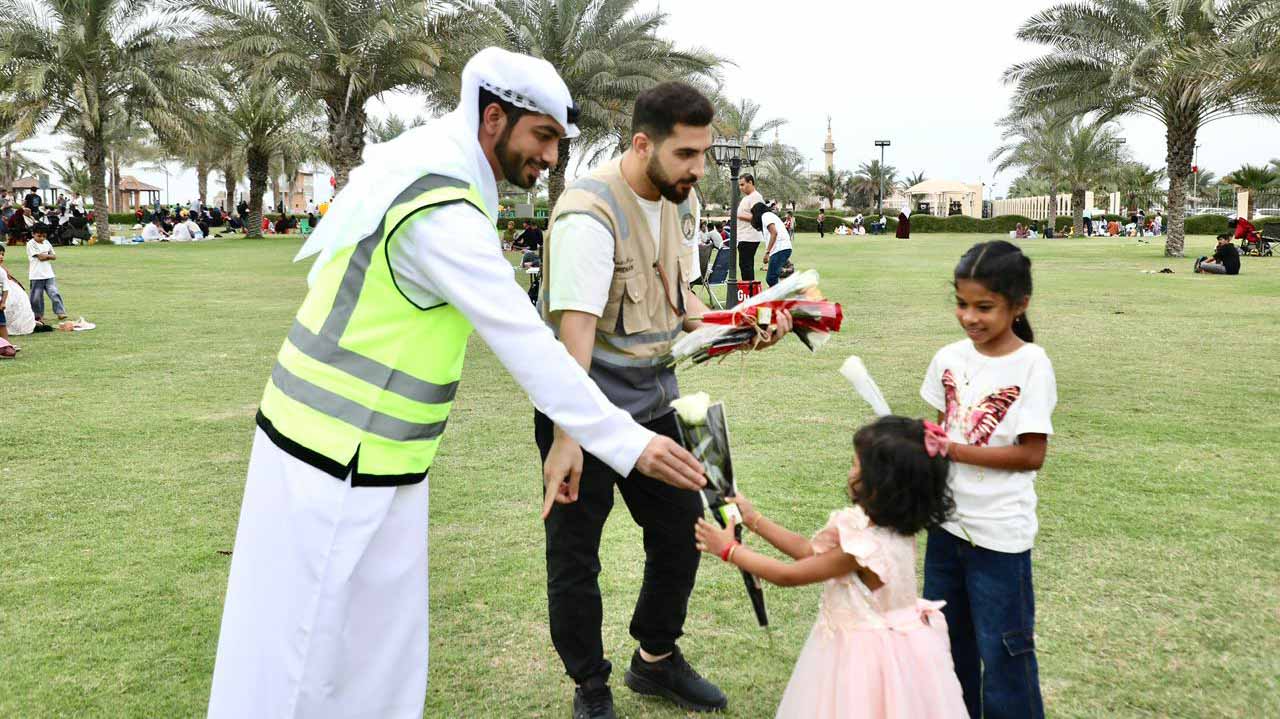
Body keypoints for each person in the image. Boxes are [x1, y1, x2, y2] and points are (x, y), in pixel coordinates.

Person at [207, 47, 708, 719]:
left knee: (382, 656)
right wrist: (626, 441)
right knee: (296, 661)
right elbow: (526, 339)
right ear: (493, 117)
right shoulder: (439, 202)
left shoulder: (448, 176)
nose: (551, 158)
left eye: (560, 142)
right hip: (324, 461)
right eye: (543, 137)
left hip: (387, 462)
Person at [539, 81, 793, 719]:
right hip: (585, 409)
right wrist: (570, 438)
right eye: (686, 154)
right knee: (577, 554)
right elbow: (574, 341)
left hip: (657, 402)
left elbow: (685, 312)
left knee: (684, 531)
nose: (698, 169)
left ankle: (655, 660)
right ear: (642, 143)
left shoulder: (683, 201)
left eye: (703, 154)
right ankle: (590, 687)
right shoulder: (587, 213)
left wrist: (744, 325)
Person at [694, 416, 968, 719]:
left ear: (881, 485)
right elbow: (807, 551)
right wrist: (754, 519)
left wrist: (729, 550)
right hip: (901, 649)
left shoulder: (866, 548)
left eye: (856, 466)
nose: (850, 472)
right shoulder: (891, 529)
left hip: (865, 658)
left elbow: (789, 575)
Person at [921, 240, 1057, 719]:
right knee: (945, 647)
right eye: (962, 304)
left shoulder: (1031, 364)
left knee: (1004, 654)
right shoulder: (949, 357)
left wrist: (954, 449)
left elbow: (1032, 454)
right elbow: (942, 429)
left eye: (985, 307)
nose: (970, 317)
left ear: (1019, 305)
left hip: (1000, 538)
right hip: (947, 530)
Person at [26, 228, 67, 321]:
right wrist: (48, 256)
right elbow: (40, 257)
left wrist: (46, 256)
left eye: (44, 236)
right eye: (39, 236)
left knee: (54, 293)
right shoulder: (31, 244)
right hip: (36, 275)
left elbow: (54, 256)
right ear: (33, 234)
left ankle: (60, 312)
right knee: (36, 297)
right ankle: (38, 316)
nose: (41, 238)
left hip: (49, 274)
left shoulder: (47, 242)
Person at [753, 201, 793, 287]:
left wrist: (767, 252)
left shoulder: (765, 216)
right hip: (782, 248)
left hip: (780, 248)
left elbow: (774, 233)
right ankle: (786, 273)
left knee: (771, 278)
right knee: (774, 276)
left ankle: (779, 296)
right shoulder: (770, 216)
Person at [735, 173, 763, 280]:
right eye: (739, 185)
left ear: (750, 182)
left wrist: (738, 215)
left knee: (746, 266)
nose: (741, 188)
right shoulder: (748, 198)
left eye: (742, 184)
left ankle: (749, 291)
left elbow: (758, 217)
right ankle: (748, 291)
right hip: (744, 237)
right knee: (745, 266)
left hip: (749, 237)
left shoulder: (756, 197)